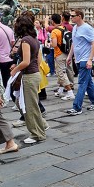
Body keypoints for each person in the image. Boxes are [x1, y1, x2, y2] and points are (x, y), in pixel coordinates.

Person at [10, 14, 47, 144]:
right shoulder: (34, 39)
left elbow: (25, 61)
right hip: (34, 74)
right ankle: (41, 126)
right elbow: (37, 59)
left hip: (29, 76)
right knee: (30, 104)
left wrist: (15, 70)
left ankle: (37, 134)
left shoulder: (25, 40)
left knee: (29, 107)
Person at [66, 10, 94, 115]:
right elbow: (74, 43)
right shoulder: (75, 28)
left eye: (73, 16)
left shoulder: (87, 28)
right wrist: (69, 56)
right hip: (78, 59)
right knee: (88, 82)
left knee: (81, 83)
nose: (71, 17)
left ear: (79, 16)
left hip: (85, 59)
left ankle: (77, 107)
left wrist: (90, 59)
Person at [49, 14, 75, 100]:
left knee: (61, 73)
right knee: (66, 71)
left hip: (59, 54)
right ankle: (60, 90)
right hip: (66, 53)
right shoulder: (64, 28)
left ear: (52, 21)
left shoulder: (54, 31)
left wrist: (49, 44)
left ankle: (70, 92)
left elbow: (54, 44)